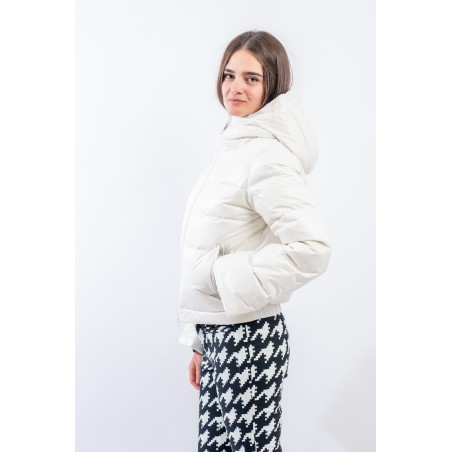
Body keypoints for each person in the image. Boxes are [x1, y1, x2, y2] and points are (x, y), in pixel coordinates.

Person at [177, 30, 332, 452]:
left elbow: (313, 249)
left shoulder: (268, 156)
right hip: (219, 336)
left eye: (251, 78)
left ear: (272, 85)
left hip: (250, 338)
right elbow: (216, 242)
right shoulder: (233, 147)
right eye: (229, 75)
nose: (235, 87)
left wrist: (226, 277)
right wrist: (200, 341)